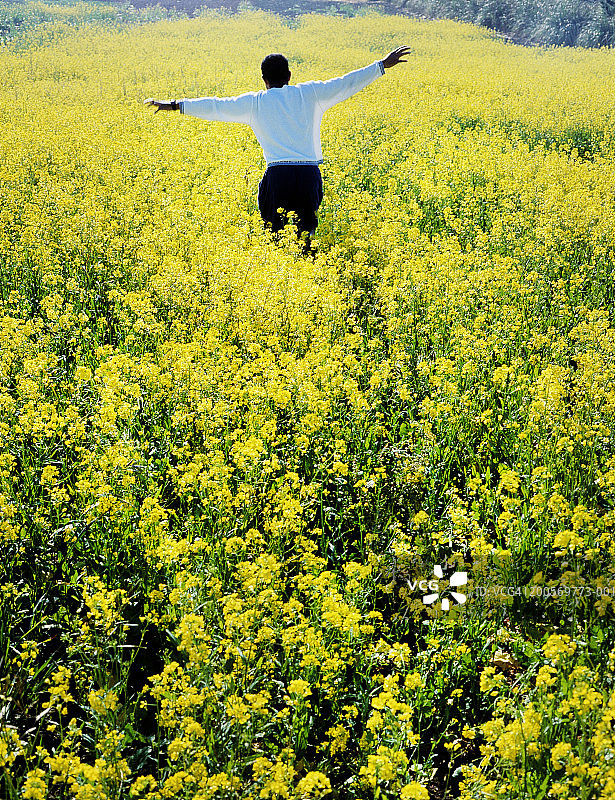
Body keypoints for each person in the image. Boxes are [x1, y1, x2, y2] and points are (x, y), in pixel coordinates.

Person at [145, 46, 410, 238]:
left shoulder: (256, 102)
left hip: (279, 176)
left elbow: (216, 106)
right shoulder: (311, 93)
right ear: (290, 75)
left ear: (264, 80)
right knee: (306, 237)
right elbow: (345, 83)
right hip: (308, 175)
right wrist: (381, 65)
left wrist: (175, 105)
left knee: (275, 236)